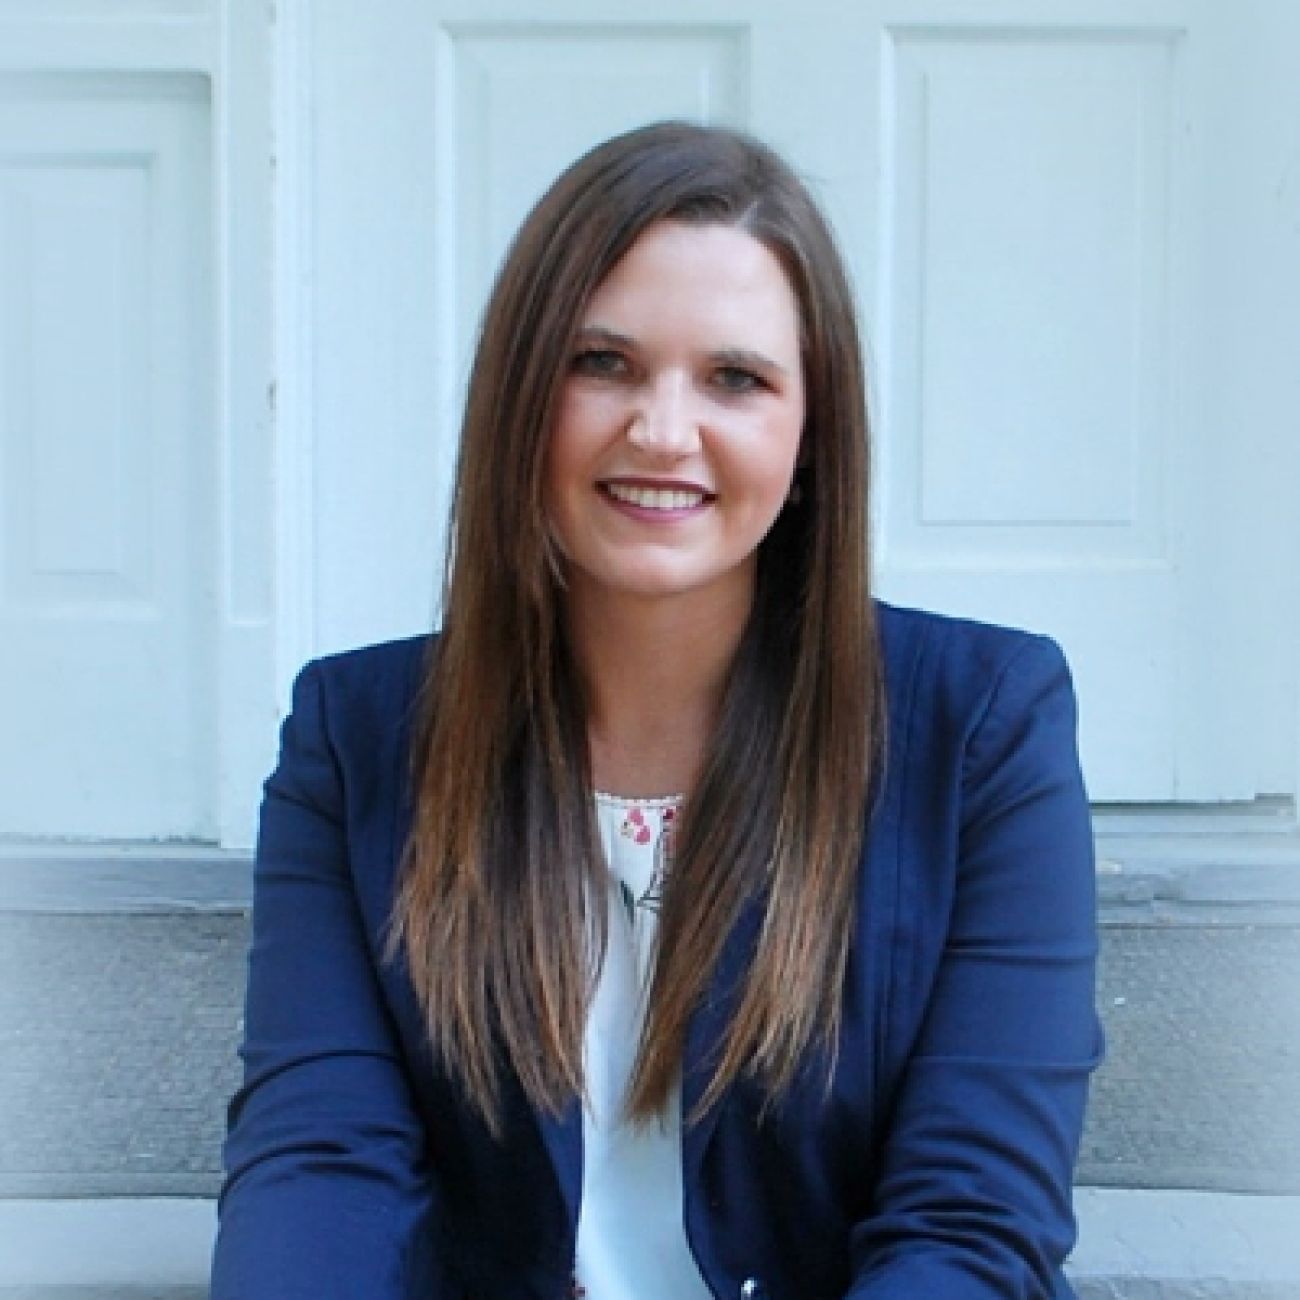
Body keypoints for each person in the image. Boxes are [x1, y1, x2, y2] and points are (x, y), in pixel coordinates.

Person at [211, 121, 1102, 1299]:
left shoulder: (981, 728)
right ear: (520, 397)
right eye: (602, 363)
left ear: (811, 430)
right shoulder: (357, 737)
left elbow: (971, 1218)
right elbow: (319, 1164)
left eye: (734, 377)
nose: (663, 430)